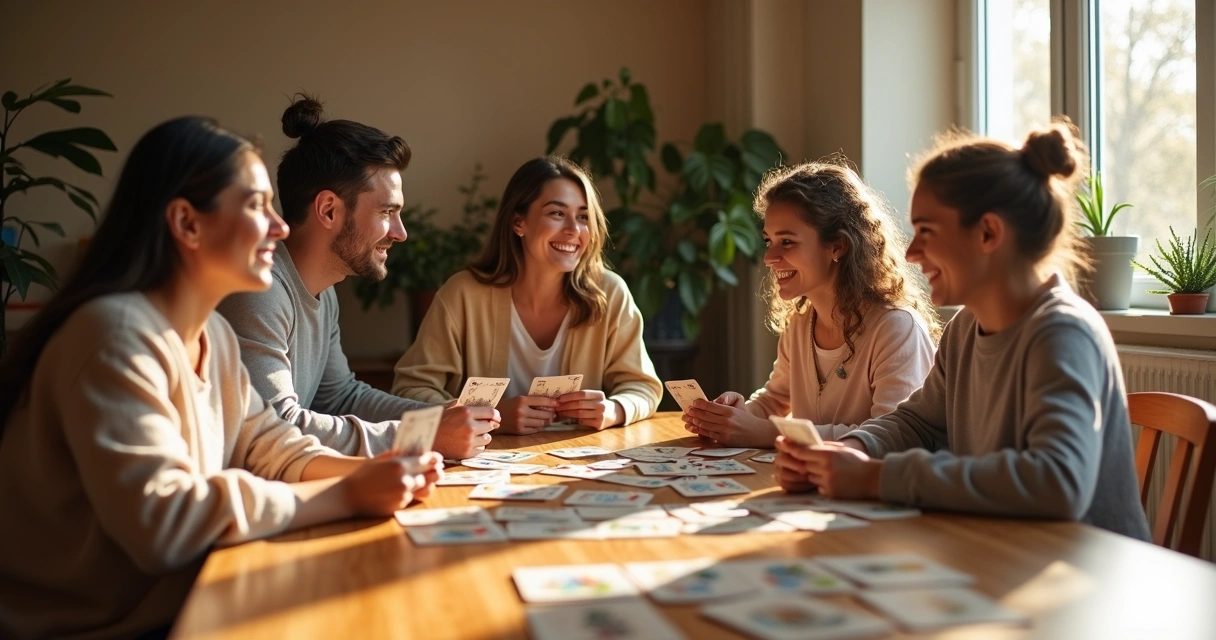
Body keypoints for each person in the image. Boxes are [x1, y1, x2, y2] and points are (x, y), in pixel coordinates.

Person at [0, 117, 441, 639]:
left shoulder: (212, 332)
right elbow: (164, 524)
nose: (280, 227)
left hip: (180, 603)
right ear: (187, 223)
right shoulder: (114, 335)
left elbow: (271, 447)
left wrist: (371, 473)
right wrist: (344, 494)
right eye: (257, 206)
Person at [775, 120, 1152, 540]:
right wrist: (849, 451)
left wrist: (877, 478)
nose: (912, 253)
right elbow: (917, 423)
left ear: (988, 233)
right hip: (1004, 552)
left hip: (1084, 578)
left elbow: (1057, 483)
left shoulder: (1062, 333)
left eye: (927, 232)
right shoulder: (966, 327)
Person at [218, 96, 498, 460]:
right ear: (329, 210)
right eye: (387, 212)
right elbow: (276, 428)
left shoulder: (324, 291)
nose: (400, 232)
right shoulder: (262, 291)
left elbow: (339, 397)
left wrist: (441, 416)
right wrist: (423, 434)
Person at [392, 156, 662, 434]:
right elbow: (410, 391)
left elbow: (643, 386)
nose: (573, 230)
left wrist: (615, 409)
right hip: (485, 461)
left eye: (583, 217)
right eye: (557, 213)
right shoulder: (462, 294)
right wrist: (491, 419)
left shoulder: (610, 293)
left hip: (581, 459)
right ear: (518, 222)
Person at [682, 160, 939, 447]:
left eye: (787, 242)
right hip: (814, 483)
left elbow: (894, 437)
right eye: (769, 241)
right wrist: (738, 414)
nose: (769, 258)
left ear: (838, 246)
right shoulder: (801, 322)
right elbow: (775, 400)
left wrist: (764, 433)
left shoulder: (896, 329)